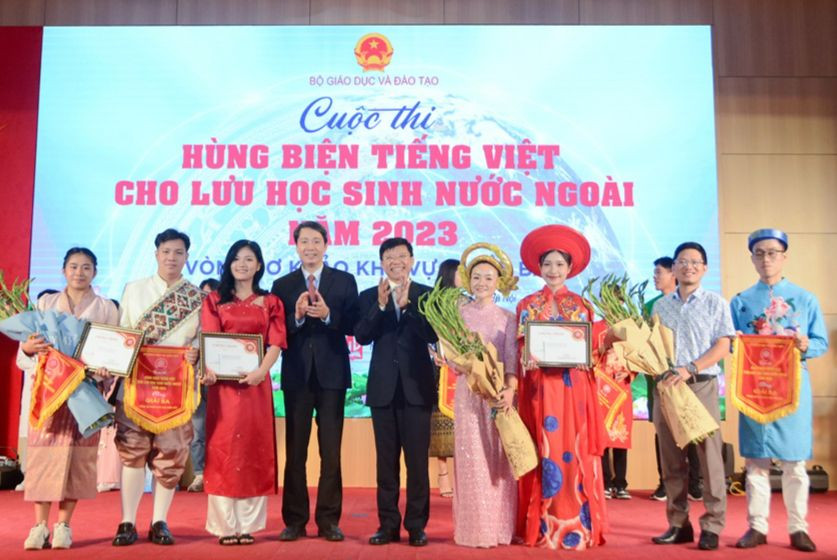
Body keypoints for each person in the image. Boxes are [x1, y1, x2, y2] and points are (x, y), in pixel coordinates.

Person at [730, 229, 828, 552]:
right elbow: (730, 343)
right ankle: (757, 527)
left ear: (784, 256)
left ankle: (798, 528)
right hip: (755, 390)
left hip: (793, 391)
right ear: (752, 258)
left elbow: (821, 342)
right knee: (755, 463)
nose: (766, 259)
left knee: (794, 463)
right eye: (759, 253)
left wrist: (805, 344)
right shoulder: (741, 302)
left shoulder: (805, 299)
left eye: (772, 252)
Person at [514, 225, 610, 550]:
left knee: (574, 451)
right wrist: (526, 359)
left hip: (573, 390)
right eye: (547, 264)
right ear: (539, 268)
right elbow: (521, 347)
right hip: (541, 389)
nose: (553, 270)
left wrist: (588, 359)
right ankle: (544, 528)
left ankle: (577, 527)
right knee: (545, 451)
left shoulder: (582, 305)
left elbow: (592, 349)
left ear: (569, 268)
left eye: (559, 264)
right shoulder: (527, 304)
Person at [20, 248, 119, 550]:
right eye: (74, 266)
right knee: (43, 456)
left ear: (95, 272)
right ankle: (39, 526)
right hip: (50, 393)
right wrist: (27, 349)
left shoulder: (106, 308)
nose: (79, 272)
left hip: (85, 393)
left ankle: (64, 524)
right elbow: (27, 349)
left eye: (86, 267)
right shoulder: (46, 303)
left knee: (77, 458)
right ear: (63, 270)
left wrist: (106, 370)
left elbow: (113, 350)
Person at [112, 228, 202, 547]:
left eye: (178, 252)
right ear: (156, 254)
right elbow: (122, 333)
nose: (171, 258)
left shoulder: (197, 297)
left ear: (187, 257)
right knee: (132, 451)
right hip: (137, 386)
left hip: (176, 389)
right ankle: (127, 522)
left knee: (171, 454)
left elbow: (201, 342)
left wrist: (196, 354)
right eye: (166, 252)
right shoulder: (133, 289)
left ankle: (159, 521)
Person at [270, 221, 358, 542]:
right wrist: (295, 318)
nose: (310, 247)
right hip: (297, 376)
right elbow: (277, 330)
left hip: (332, 375)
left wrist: (328, 315)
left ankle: (328, 520)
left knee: (330, 452)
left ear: (326, 244)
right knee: (295, 452)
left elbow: (354, 325)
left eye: (316, 241)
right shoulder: (282, 284)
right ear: (296, 246)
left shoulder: (344, 280)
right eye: (304, 241)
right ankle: (295, 520)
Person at [201, 240, 287, 545]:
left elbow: (276, 342)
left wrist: (261, 371)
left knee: (253, 447)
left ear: (259, 265)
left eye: (249, 259)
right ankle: (225, 526)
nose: (242, 264)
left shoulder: (271, 302)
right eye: (237, 259)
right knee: (222, 447)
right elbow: (209, 338)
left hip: (255, 386)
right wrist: (210, 370)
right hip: (223, 388)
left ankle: (248, 525)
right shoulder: (214, 300)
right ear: (229, 263)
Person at [650, 242, 734, 551]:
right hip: (667, 389)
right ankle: (678, 523)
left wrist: (691, 368)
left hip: (701, 386)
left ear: (705, 268)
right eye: (682, 261)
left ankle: (712, 525)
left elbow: (724, 345)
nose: (689, 266)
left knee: (710, 460)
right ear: (674, 268)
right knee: (671, 460)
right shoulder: (660, 306)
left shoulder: (715, 303)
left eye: (695, 262)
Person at [355, 237, 438, 547]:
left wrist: (410, 308)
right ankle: (387, 525)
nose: (396, 262)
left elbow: (432, 334)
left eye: (402, 256)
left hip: (417, 389)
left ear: (412, 260)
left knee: (417, 464)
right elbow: (362, 336)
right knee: (386, 463)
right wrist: (380, 307)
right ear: (381, 262)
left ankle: (416, 526)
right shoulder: (369, 295)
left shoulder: (427, 295)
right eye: (389, 257)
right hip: (383, 390)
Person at [450, 244, 518, 547]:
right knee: (471, 460)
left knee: (497, 461)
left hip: (498, 396)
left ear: (498, 282)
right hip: (468, 393)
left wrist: (510, 390)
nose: (482, 283)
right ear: (468, 279)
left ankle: (499, 528)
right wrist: (455, 362)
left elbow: (512, 359)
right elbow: (453, 358)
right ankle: (474, 529)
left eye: (489, 278)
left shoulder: (508, 317)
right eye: (476, 277)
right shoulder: (458, 314)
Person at [645, 257, 702, 502]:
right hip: (660, 377)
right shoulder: (651, 306)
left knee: (694, 427)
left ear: (673, 274)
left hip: (688, 375)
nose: (655, 277)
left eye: (659, 272)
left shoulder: (692, 304)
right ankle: (665, 482)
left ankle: (695, 482)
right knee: (663, 431)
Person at [188, 277, 220, 494]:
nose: (207, 299)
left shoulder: (224, 318)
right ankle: (199, 474)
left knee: (220, 430)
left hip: (219, 383)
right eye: (203, 295)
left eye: (212, 295)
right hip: (194, 382)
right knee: (197, 430)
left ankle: (218, 473)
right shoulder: (190, 321)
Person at [429, 259, 458, 498]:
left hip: (464, 369)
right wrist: (432, 353)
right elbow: (425, 336)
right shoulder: (432, 302)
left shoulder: (468, 302)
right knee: (440, 423)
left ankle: (461, 475)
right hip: (440, 370)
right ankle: (442, 474)